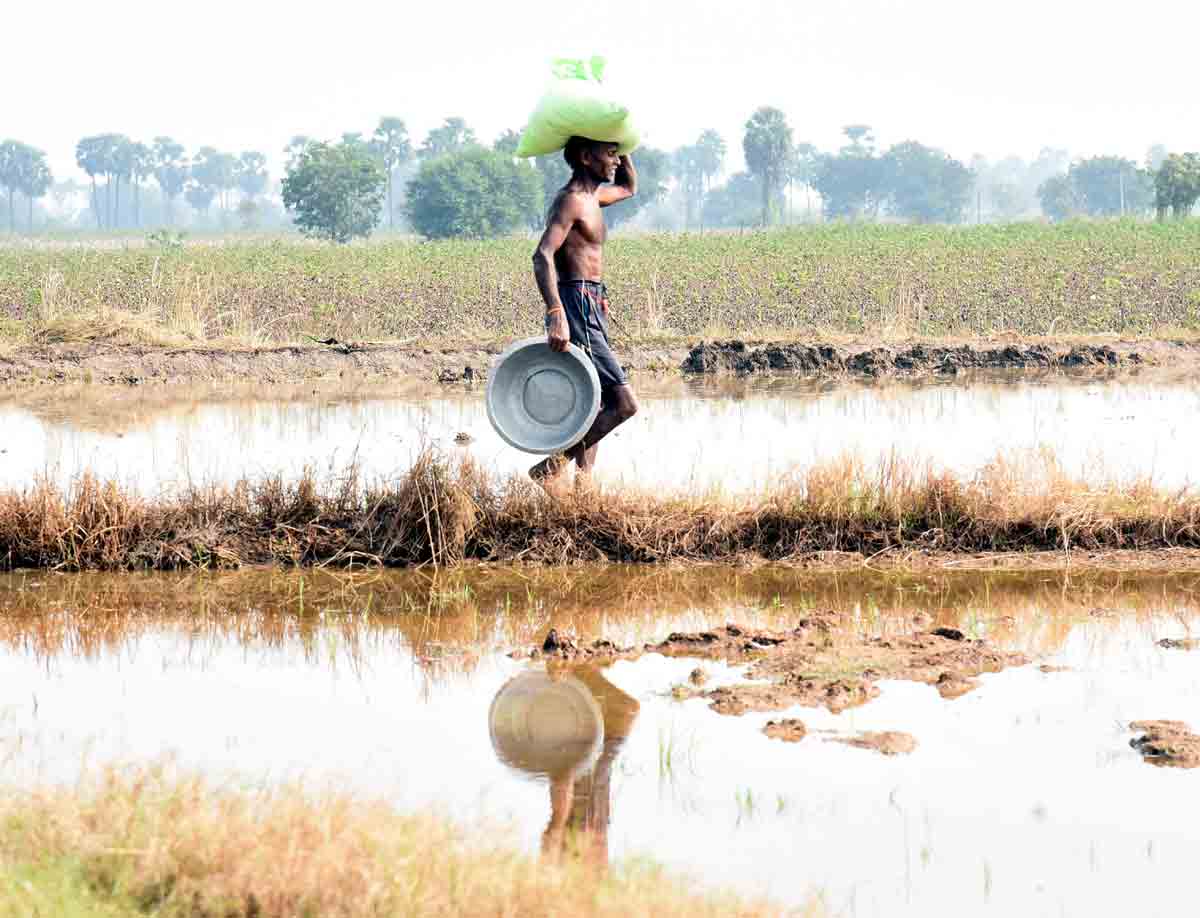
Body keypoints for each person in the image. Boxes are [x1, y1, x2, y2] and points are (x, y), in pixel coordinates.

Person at [529, 137, 640, 493]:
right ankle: (551, 467)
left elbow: (629, 187)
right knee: (624, 404)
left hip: (593, 300)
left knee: (597, 400)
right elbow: (542, 255)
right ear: (584, 156)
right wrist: (555, 311)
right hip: (575, 302)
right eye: (608, 155)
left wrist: (622, 140)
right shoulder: (571, 201)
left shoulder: (595, 197)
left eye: (615, 154)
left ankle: (584, 488)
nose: (615, 162)